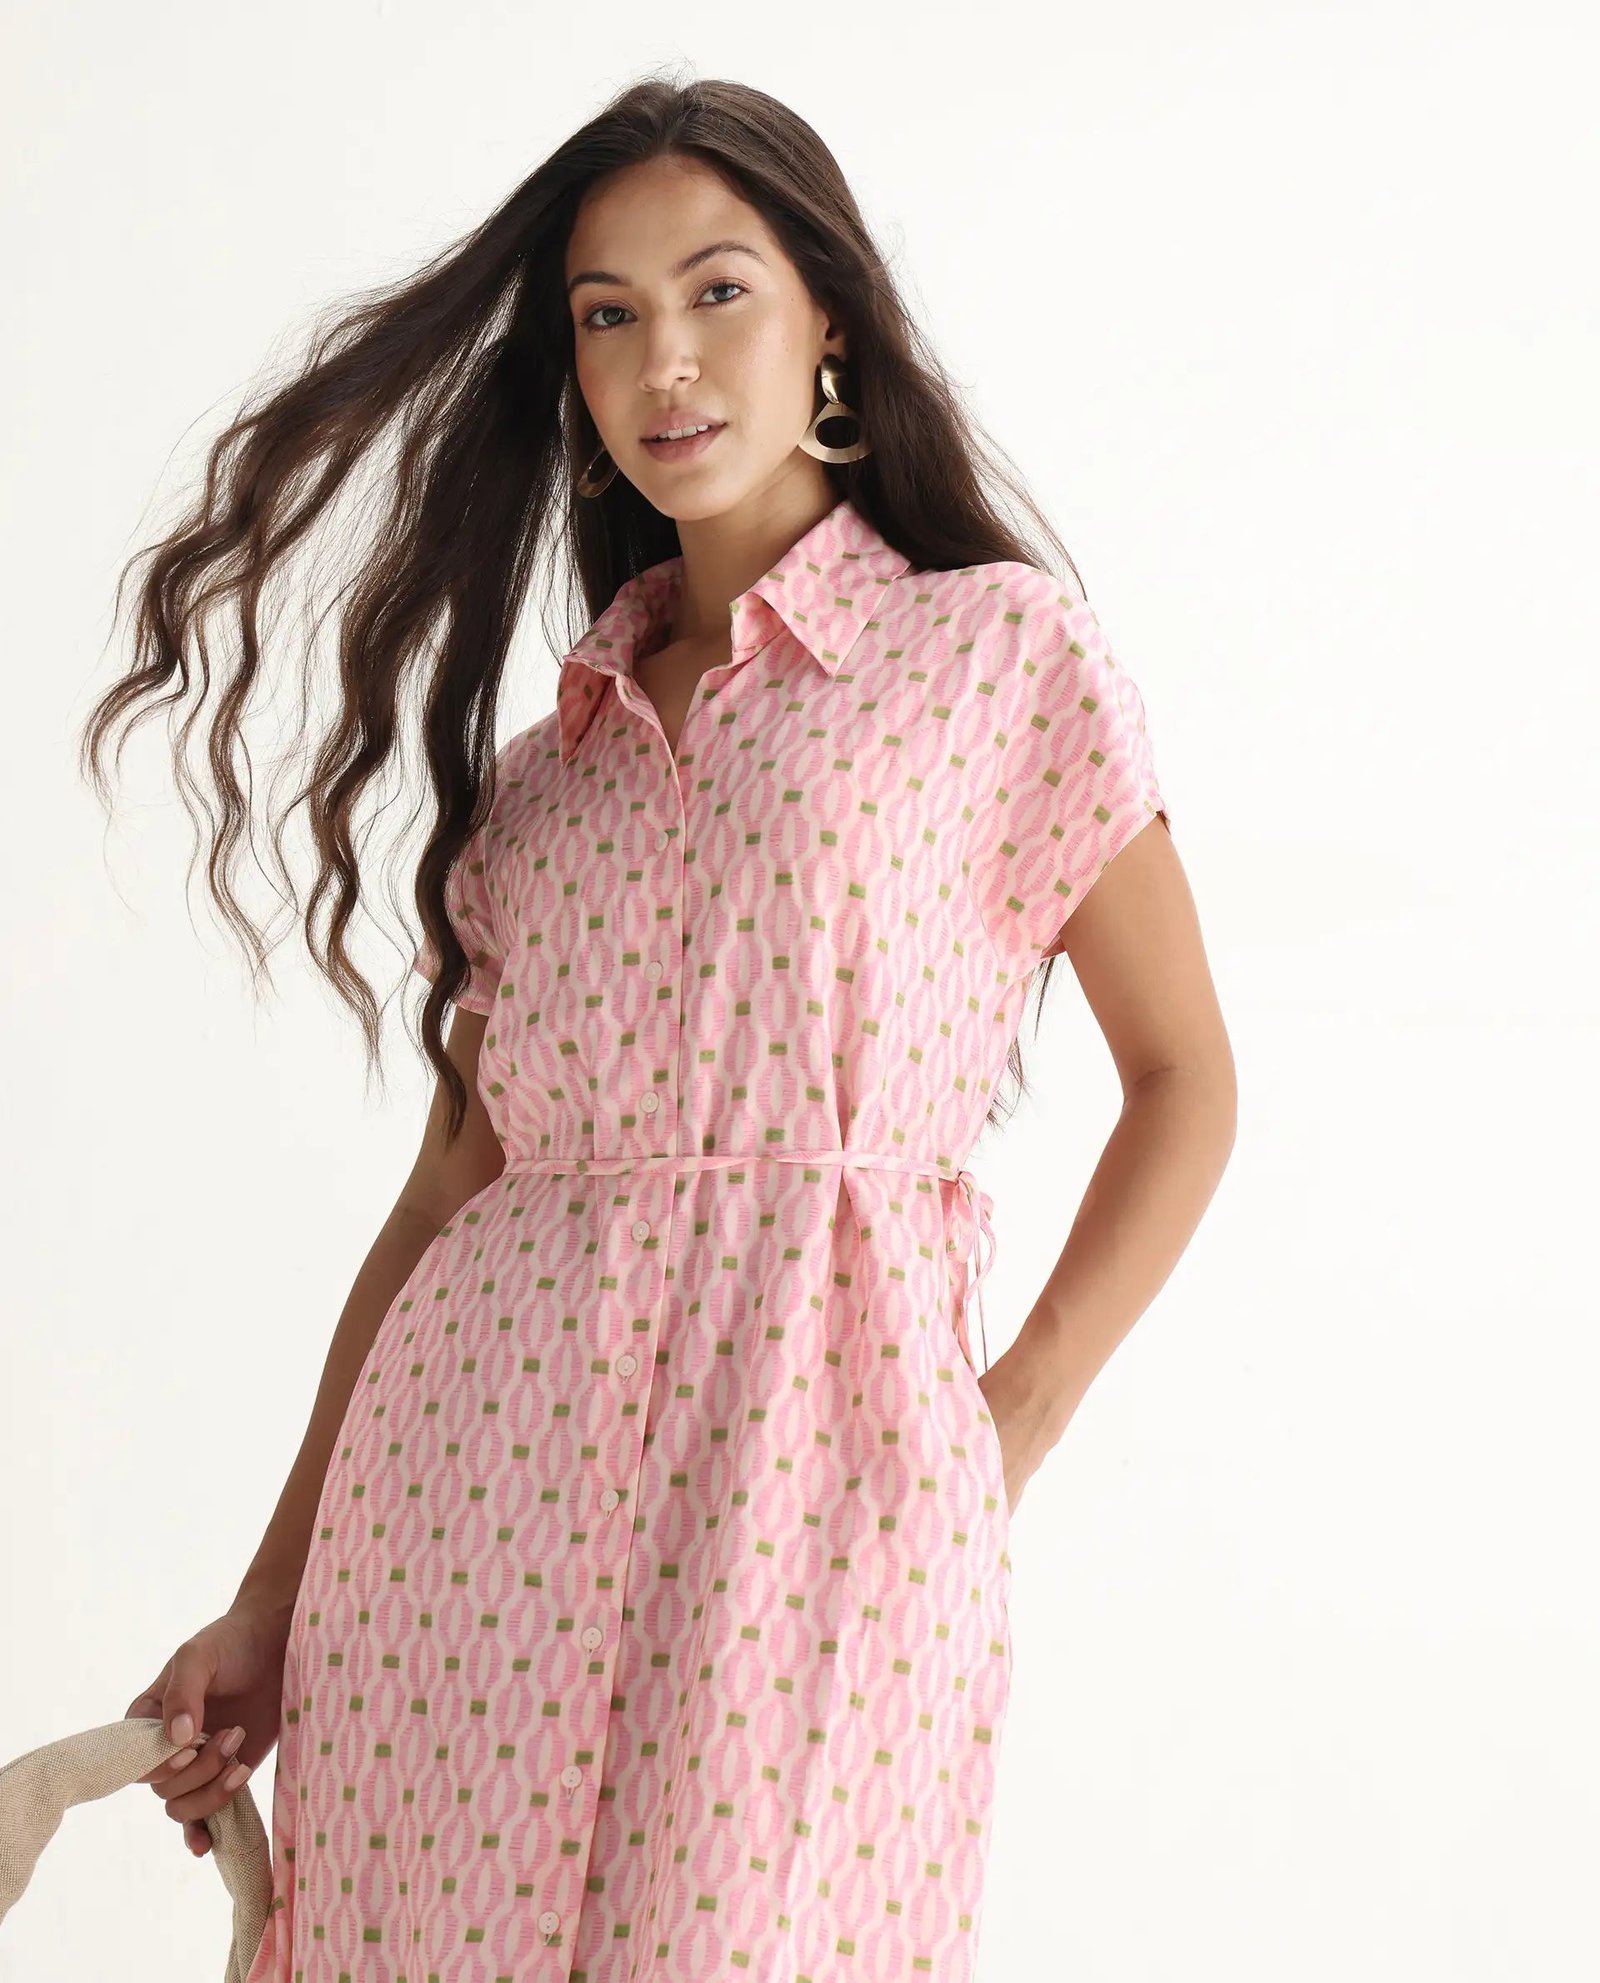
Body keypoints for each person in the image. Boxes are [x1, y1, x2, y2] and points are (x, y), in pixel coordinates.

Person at [88, 72, 1235, 1983]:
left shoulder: (994, 656)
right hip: (468, 1521)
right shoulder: (547, 776)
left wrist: (1003, 1425)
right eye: (608, 315)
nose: (664, 362)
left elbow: (1184, 1078)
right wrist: (271, 1605)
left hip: (818, 1495)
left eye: (718, 292)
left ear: (830, 321)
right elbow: (446, 1197)